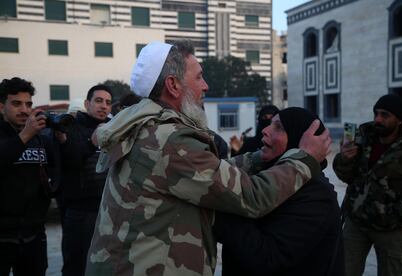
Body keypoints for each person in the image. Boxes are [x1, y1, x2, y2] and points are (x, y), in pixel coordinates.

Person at [85, 40, 331, 276]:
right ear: (173, 85)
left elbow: (209, 171)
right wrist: (305, 158)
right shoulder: (171, 140)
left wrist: (258, 158)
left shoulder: (147, 124)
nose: (206, 86)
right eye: (199, 77)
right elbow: (252, 196)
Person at [214, 107, 344, 276]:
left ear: (299, 142)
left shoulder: (317, 196)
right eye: (268, 124)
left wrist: (222, 203)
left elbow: (266, 258)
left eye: (279, 127)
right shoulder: (265, 174)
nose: (265, 130)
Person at [333, 94, 402, 276]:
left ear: (399, 120)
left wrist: (397, 215)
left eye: (385, 115)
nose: (377, 119)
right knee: (344, 271)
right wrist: (344, 158)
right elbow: (346, 176)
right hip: (356, 223)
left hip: (390, 230)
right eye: (376, 113)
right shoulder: (362, 138)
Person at [0, 77, 56, 276]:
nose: (24, 110)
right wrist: (24, 135)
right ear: (1, 107)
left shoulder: (39, 138)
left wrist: (62, 139)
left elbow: (58, 172)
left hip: (33, 234)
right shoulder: (27, 134)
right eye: (16, 103)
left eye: (28, 104)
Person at [56, 84, 113, 276]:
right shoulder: (70, 128)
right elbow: (70, 161)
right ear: (87, 104)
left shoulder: (113, 130)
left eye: (108, 102)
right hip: (80, 213)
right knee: (77, 267)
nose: (104, 106)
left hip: (108, 211)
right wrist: (92, 141)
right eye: (98, 101)